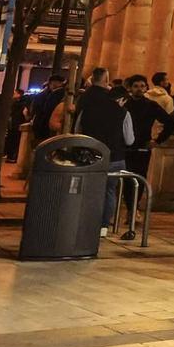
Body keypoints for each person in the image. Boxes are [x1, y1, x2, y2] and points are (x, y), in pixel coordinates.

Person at [71, 72, 134, 235]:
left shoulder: (88, 109)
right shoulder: (123, 113)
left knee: (87, 189)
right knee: (109, 191)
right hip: (115, 156)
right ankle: (103, 226)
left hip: (90, 155)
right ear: (121, 100)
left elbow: (77, 130)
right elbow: (129, 140)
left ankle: (83, 221)